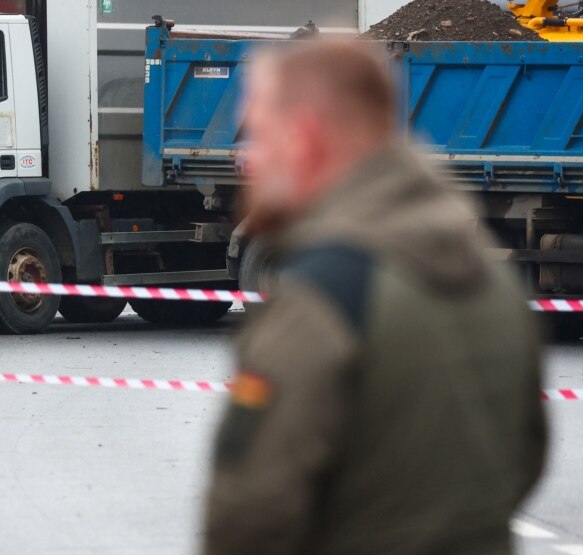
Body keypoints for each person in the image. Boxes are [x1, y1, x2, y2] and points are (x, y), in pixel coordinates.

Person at [204, 41, 547, 554]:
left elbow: (250, 516)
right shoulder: (493, 284)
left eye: (258, 132)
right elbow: (524, 460)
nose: (248, 157)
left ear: (304, 138)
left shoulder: (319, 301)